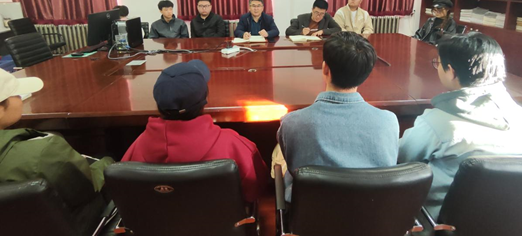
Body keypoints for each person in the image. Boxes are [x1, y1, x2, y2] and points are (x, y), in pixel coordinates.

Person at [399, 33, 522, 219]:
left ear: (451, 71)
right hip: (505, 220)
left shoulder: (437, 123)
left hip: (436, 219)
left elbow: (401, 161)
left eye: (438, 63)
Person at [122, 60, 268, 203]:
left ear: (158, 104)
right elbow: (255, 189)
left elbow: (126, 194)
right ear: (203, 103)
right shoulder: (233, 145)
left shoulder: (137, 148)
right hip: (219, 219)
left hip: (155, 219)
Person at [277, 32, 399, 201]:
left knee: (278, 158)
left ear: (325, 69)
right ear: (365, 75)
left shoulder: (292, 123)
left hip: (312, 213)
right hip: (373, 213)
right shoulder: (389, 121)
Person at [0, 69, 114, 234]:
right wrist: (109, 163)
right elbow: (87, 187)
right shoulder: (42, 152)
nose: (21, 99)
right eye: (16, 94)